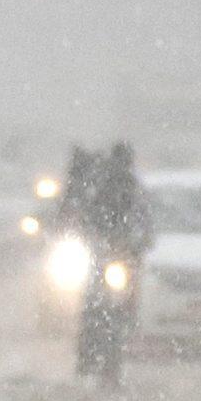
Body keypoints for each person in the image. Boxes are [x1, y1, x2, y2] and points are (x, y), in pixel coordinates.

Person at [68, 142, 152, 387]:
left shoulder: (134, 191)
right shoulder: (99, 189)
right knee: (93, 307)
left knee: (122, 308)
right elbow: (83, 219)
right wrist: (94, 242)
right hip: (101, 258)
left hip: (122, 258)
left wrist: (136, 244)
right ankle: (87, 360)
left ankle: (107, 362)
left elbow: (144, 222)